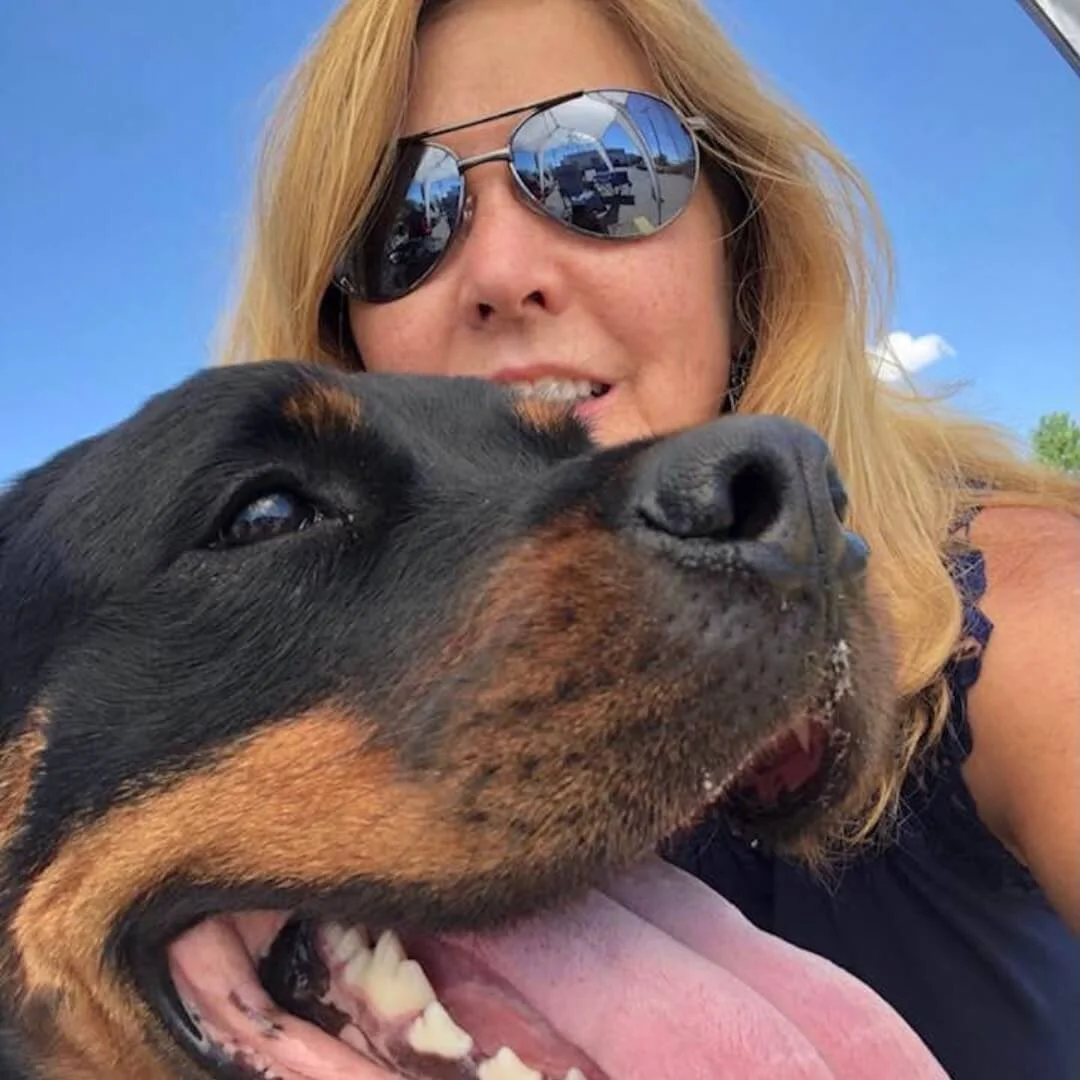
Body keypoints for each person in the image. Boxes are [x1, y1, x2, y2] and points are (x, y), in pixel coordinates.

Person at [215, 0, 1080, 1075]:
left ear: (741, 239)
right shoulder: (292, 765)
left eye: (601, 167)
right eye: (405, 221)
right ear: (346, 346)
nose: (499, 273)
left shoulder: (1025, 615)